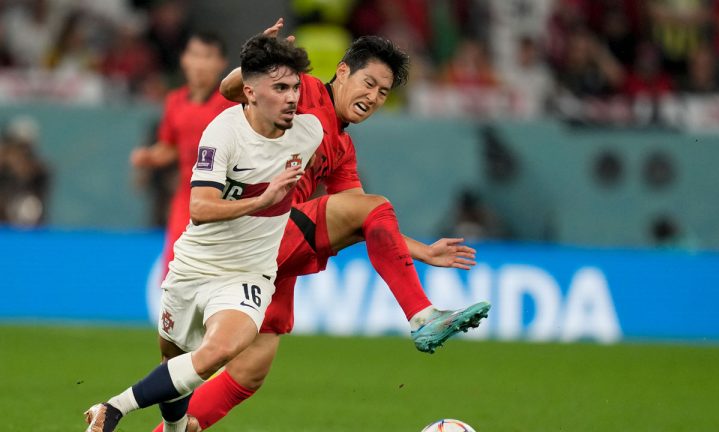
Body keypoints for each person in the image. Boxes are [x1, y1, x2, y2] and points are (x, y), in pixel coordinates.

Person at [152, 18, 491, 431]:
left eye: (383, 92)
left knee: (248, 374)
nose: (373, 97)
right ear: (343, 71)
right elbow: (229, 91)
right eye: (368, 83)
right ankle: (422, 316)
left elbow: (365, 219)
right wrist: (260, 59)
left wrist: (421, 251)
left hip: (275, 248)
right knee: (373, 205)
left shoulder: (343, 148)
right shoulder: (306, 90)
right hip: (256, 226)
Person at [83, 34, 322, 432]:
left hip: (248, 274)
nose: (292, 97)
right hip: (194, 267)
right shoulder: (223, 131)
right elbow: (201, 207)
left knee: (220, 350)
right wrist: (263, 200)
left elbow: (338, 105)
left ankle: (114, 408)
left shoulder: (309, 131)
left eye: (296, 87)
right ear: (250, 92)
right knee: (175, 366)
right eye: (280, 88)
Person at [131, 32, 235, 274]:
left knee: (218, 274)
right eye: (195, 55)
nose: (200, 64)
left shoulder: (234, 103)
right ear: (184, 60)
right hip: (186, 198)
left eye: (207, 57)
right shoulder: (174, 101)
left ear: (221, 63)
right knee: (176, 269)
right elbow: (171, 148)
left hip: (226, 198)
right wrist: (149, 157)